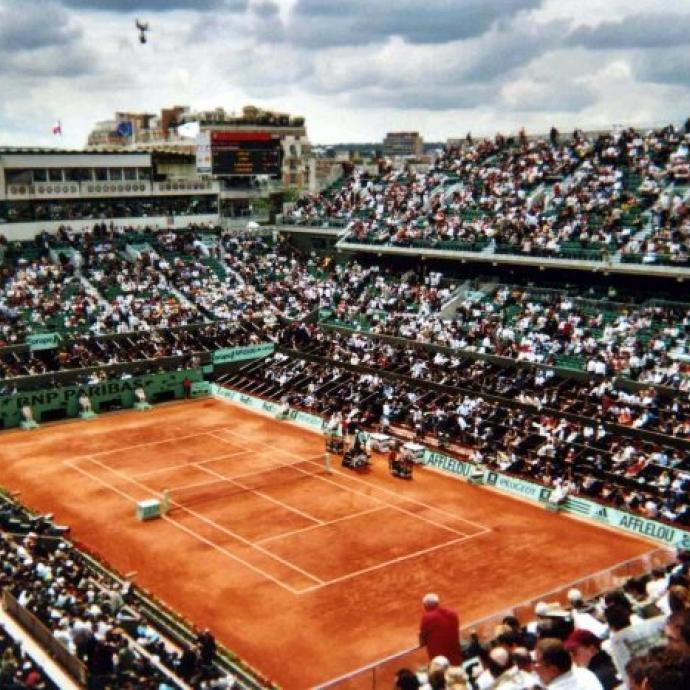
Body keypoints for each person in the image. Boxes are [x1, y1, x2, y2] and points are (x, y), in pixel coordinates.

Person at [419, 593, 462, 666]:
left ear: (426, 606)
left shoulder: (427, 617)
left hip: (439, 660)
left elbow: (423, 639)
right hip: (455, 654)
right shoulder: (452, 613)